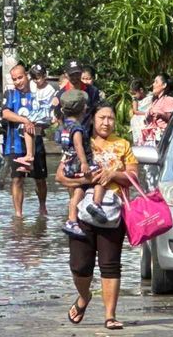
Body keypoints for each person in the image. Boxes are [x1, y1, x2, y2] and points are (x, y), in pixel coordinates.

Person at [56, 100, 138, 330]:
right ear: (92, 119)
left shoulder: (123, 145)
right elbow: (60, 176)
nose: (106, 122)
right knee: (80, 266)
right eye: (102, 117)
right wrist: (89, 180)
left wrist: (113, 174)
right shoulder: (80, 140)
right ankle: (84, 297)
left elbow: (134, 177)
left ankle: (110, 315)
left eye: (110, 118)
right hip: (81, 212)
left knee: (110, 264)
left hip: (113, 213)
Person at [2, 64, 48, 217]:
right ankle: (18, 214)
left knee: (40, 179)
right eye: (14, 79)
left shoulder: (37, 93)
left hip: (37, 141)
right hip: (15, 144)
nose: (18, 82)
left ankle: (42, 207)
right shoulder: (10, 94)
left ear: (27, 75)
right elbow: (6, 113)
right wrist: (25, 120)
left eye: (20, 77)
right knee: (16, 179)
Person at [57, 89, 102, 238]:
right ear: (83, 108)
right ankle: (95, 204)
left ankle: (71, 221)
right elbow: (78, 145)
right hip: (78, 164)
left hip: (68, 164)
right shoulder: (77, 128)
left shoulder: (64, 126)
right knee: (100, 175)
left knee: (78, 191)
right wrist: (84, 163)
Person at [13, 64, 57, 171]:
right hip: (35, 113)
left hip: (45, 114)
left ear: (44, 76)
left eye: (38, 78)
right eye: (34, 78)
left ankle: (29, 156)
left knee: (29, 127)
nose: (36, 81)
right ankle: (30, 160)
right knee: (26, 127)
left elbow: (52, 106)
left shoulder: (50, 89)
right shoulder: (32, 84)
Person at [52, 60, 100, 128]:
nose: (75, 77)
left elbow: (97, 112)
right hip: (69, 131)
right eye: (71, 74)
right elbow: (58, 115)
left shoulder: (92, 91)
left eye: (77, 73)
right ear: (66, 74)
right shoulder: (60, 95)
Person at [143, 72, 173, 145]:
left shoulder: (169, 100)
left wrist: (161, 114)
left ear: (164, 85)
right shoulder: (155, 101)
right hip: (152, 139)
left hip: (163, 140)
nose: (153, 84)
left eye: (156, 82)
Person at [129, 78, 152, 146]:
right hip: (138, 121)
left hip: (148, 121)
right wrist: (146, 114)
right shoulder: (135, 100)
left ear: (141, 90)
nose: (133, 95)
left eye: (135, 93)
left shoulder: (150, 98)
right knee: (139, 139)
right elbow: (135, 111)